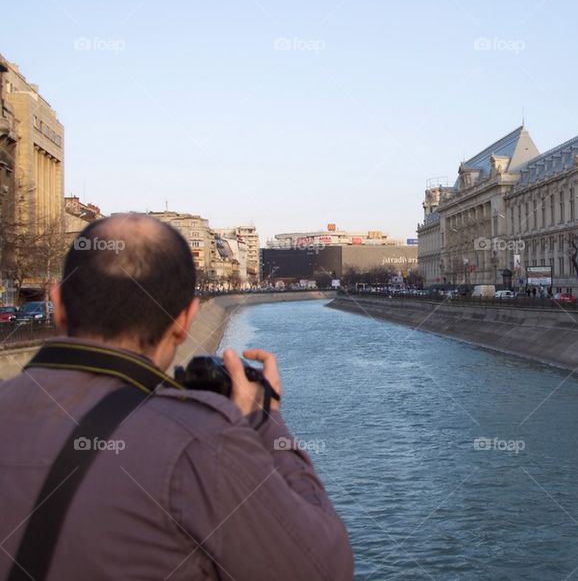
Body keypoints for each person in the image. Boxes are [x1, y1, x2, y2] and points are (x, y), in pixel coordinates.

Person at [0, 214, 353, 580]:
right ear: (186, 319)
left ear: (58, 303)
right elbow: (322, 569)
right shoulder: (201, 440)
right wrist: (266, 420)